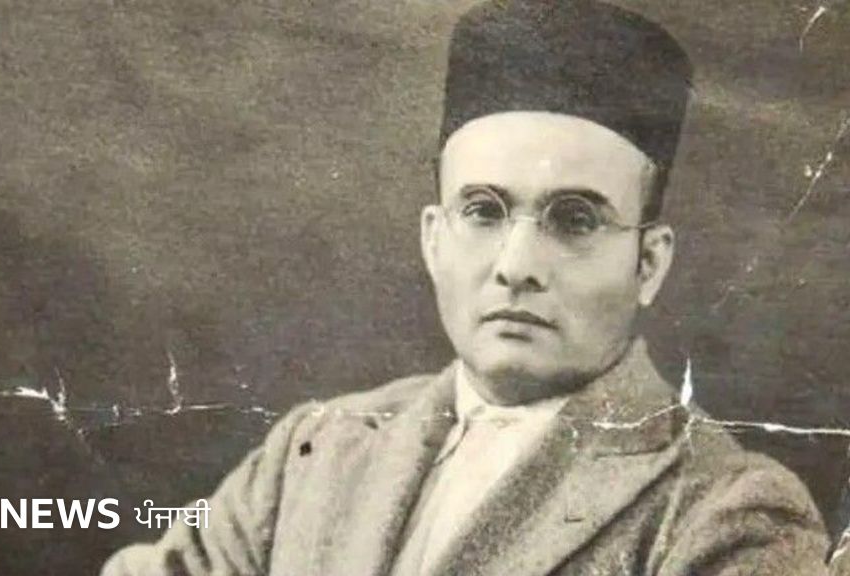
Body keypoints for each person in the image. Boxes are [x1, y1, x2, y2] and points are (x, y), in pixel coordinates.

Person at [102, 1, 830, 574]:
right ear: (434, 238)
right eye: (482, 211)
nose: (517, 264)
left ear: (648, 263)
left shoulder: (729, 512)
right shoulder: (317, 449)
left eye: (575, 219)